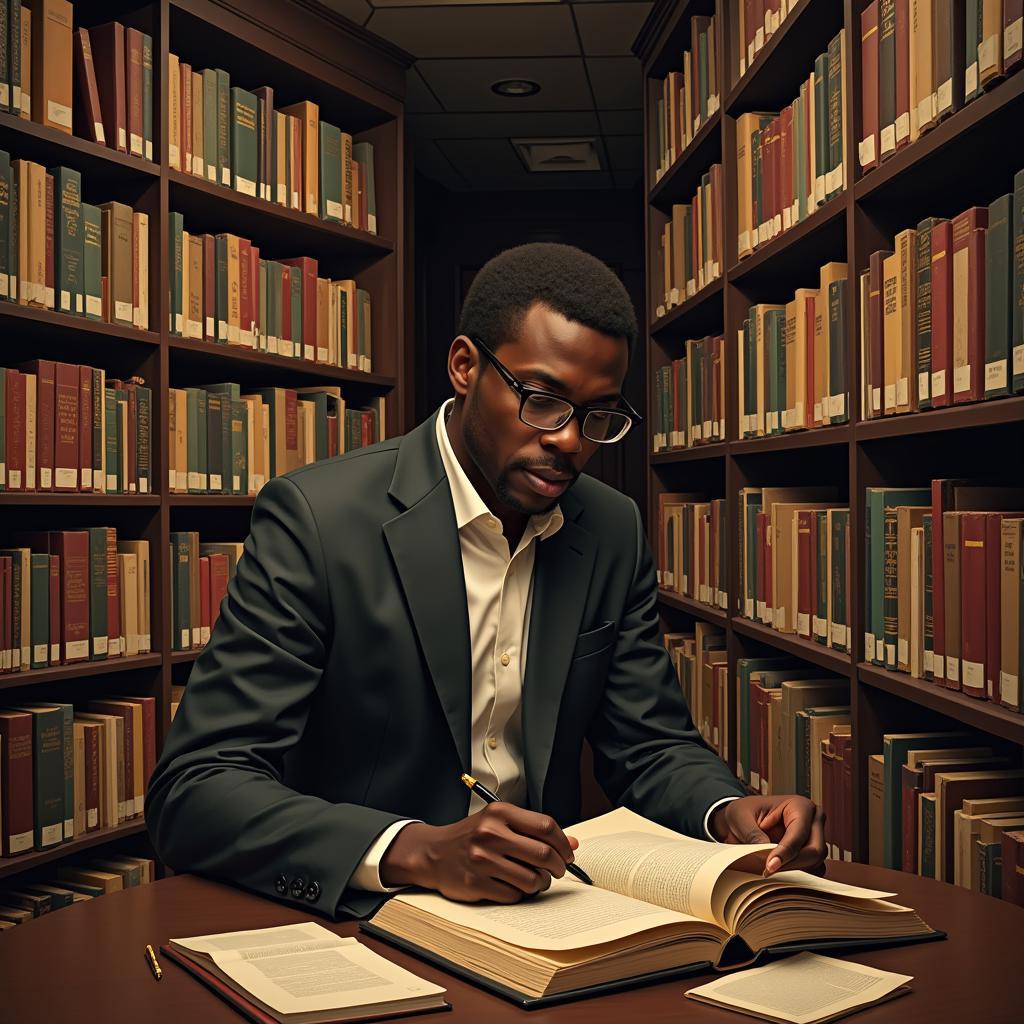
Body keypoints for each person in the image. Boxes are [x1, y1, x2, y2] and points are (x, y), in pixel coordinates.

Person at [145, 242, 826, 920]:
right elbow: (197, 787)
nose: (570, 442)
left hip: (545, 916)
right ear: (465, 367)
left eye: (597, 415)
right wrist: (412, 848)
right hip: (361, 919)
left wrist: (729, 809)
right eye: (542, 400)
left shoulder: (611, 529)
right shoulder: (318, 519)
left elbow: (649, 744)